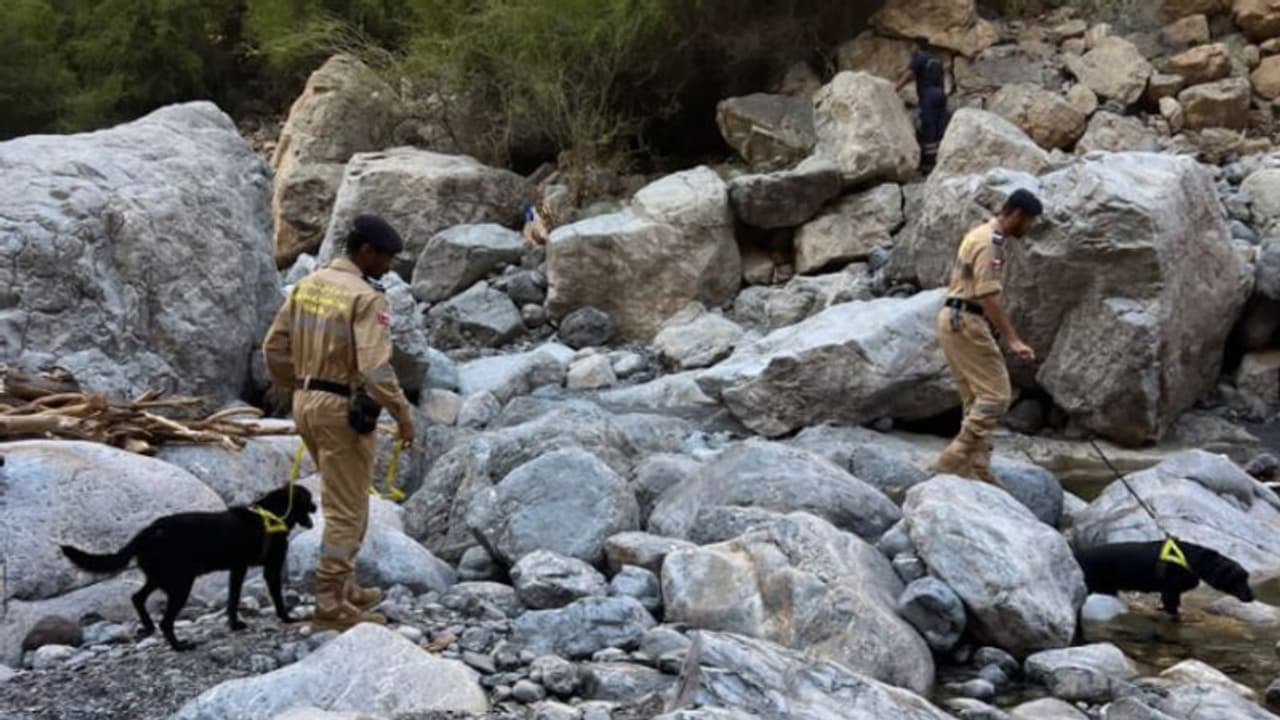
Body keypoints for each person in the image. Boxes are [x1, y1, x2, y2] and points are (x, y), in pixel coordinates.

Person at [263, 214, 416, 631]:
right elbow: (375, 369)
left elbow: (274, 346)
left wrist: (297, 383)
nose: (388, 267)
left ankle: (345, 588)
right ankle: (330, 603)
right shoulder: (366, 297)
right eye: (386, 258)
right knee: (347, 508)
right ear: (365, 251)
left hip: (305, 401)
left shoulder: (309, 284)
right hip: (341, 408)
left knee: (337, 495)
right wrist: (403, 414)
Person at [933, 189, 1043, 484]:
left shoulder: (978, 233)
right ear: (1017, 215)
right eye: (1029, 221)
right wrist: (1013, 339)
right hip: (966, 319)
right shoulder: (990, 244)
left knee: (976, 397)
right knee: (996, 395)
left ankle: (977, 468)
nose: (1029, 228)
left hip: (953, 318)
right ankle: (953, 458)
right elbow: (987, 295)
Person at [896, 40, 950, 172]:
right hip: (940, 94)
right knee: (940, 127)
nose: (911, 50)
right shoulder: (936, 60)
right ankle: (943, 159)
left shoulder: (920, 58)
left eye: (912, 46)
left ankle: (930, 163)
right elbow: (942, 80)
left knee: (929, 126)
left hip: (928, 94)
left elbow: (908, 75)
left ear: (917, 46)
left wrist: (894, 89)